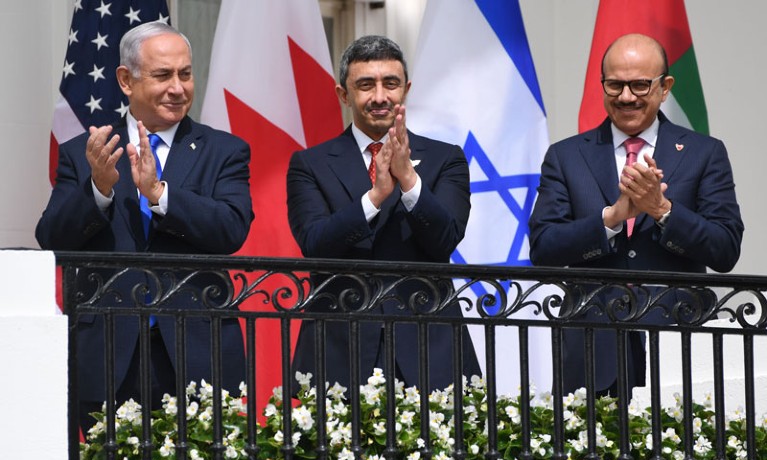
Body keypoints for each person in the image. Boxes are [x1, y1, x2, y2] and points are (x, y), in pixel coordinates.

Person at [36, 22, 254, 430]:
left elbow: (231, 229)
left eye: (185, 74)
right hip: (108, 350)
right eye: (163, 75)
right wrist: (98, 189)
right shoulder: (85, 154)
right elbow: (51, 238)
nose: (178, 87)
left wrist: (160, 195)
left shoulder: (224, 151)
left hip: (198, 348)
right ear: (125, 79)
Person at [528, 33, 743, 397]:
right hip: (592, 347)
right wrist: (611, 218)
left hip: (678, 343)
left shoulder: (704, 153)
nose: (626, 97)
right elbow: (544, 247)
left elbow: (725, 249)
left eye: (640, 85)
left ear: (665, 88)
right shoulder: (566, 156)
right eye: (615, 85)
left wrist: (662, 211)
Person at [286, 35, 481, 392]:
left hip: (428, 344)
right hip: (339, 346)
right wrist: (375, 197)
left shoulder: (445, 158)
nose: (379, 97)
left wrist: (408, 180)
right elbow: (314, 245)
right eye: (365, 85)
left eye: (390, 84)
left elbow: (446, 239)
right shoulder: (309, 164)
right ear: (343, 95)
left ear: (405, 89)